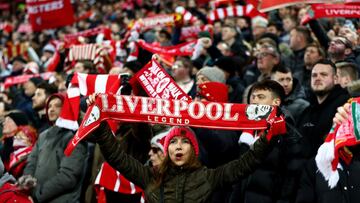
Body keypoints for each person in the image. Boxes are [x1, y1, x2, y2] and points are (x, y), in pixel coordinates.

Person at [85, 93, 283, 202]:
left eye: (184, 141)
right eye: (172, 142)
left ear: (194, 149)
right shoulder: (150, 176)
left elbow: (245, 164)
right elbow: (117, 157)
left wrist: (267, 139)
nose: (178, 147)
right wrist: (101, 124)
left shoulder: (209, 177)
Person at [20, 93, 88, 203]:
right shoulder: (43, 135)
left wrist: (38, 195)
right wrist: (27, 186)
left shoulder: (74, 138)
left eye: (57, 106)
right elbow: (31, 163)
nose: (51, 109)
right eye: (49, 106)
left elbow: (67, 177)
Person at [297, 59, 350, 158]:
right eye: (314, 75)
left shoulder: (346, 105)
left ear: (335, 79)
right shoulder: (306, 112)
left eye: (324, 74)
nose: (318, 78)